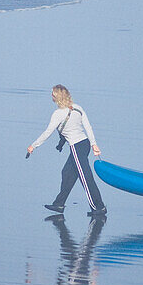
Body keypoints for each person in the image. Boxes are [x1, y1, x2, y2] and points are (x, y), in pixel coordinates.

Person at [27, 84, 107, 217]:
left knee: (85, 177)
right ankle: (59, 204)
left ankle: (99, 207)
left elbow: (48, 132)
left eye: (52, 94)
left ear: (57, 97)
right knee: (67, 173)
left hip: (76, 146)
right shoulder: (78, 108)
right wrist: (93, 144)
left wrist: (33, 146)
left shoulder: (58, 114)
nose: (51, 96)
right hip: (85, 144)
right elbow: (88, 127)